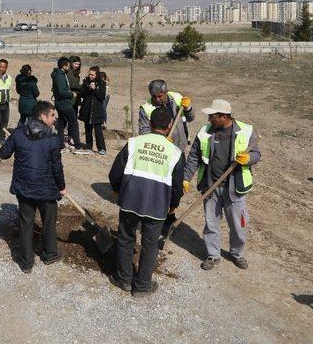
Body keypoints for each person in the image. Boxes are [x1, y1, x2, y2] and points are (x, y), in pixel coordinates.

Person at [109, 108, 185, 297]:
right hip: (157, 205)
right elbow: (177, 186)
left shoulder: (134, 143)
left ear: (150, 124)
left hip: (130, 201)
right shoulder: (175, 152)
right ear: (169, 127)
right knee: (150, 245)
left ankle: (124, 279)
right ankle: (142, 286)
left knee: (126, 239)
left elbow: (115, 173)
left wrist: (118, 190)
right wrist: (173, 204)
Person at [183, 99, 261, 271]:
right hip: (211, 186)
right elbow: (194, 156)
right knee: (211, 224)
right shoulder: (205, 132)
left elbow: (256, 153)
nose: (210, 120)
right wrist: (186, 178)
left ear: (224, 116)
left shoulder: (246, 131)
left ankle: (237, 254)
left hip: (236, 188)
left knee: (238, 225)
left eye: (213, 116)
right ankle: (213, 255)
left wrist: (248, 159)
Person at [0, 101, 66, 274]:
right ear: (42, 116)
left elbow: (3, 153)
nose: (54, 119)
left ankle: (26, 262)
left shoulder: (19, 133)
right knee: (49, 222)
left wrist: (12, 138)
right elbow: (57, 167)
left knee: (26, 223)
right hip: (46, 189)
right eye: (52, 115)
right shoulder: (52, 139)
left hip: (25, 189)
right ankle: (50, 254)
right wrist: (61, 186)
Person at [139, 79, 194, 152]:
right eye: (154, 96)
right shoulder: (146, 108)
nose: (157, 99)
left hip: (180, 148)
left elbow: (190, 119)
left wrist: (188, 109)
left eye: (160, 96)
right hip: (162, 151)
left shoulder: (177, 98)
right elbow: (144, 133)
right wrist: (161, 141)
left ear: (166, 92)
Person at [51, 57, 87, 154]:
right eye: (68, 65)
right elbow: (62, 91)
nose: (69, 67)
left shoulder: (60, 74)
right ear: (64, 66)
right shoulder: (60, 76)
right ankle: (78, 147)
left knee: (62, 124)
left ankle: (61, 145)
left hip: (60, 103)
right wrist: (72, 94)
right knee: (74, 123)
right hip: (64, 103)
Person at [78, 66, 107, 155]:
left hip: (97, 110)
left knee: (98, 130)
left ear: (96, 75)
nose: (90, 76)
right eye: (89, 74)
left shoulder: (102, 83)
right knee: (88, 128)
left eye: (92, 75)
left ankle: (101, 148)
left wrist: (95, 90)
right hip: (87, 109)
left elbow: (102, 96)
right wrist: (88, 88)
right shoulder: (85, 82)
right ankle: (89, 146)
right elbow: (81, 94)